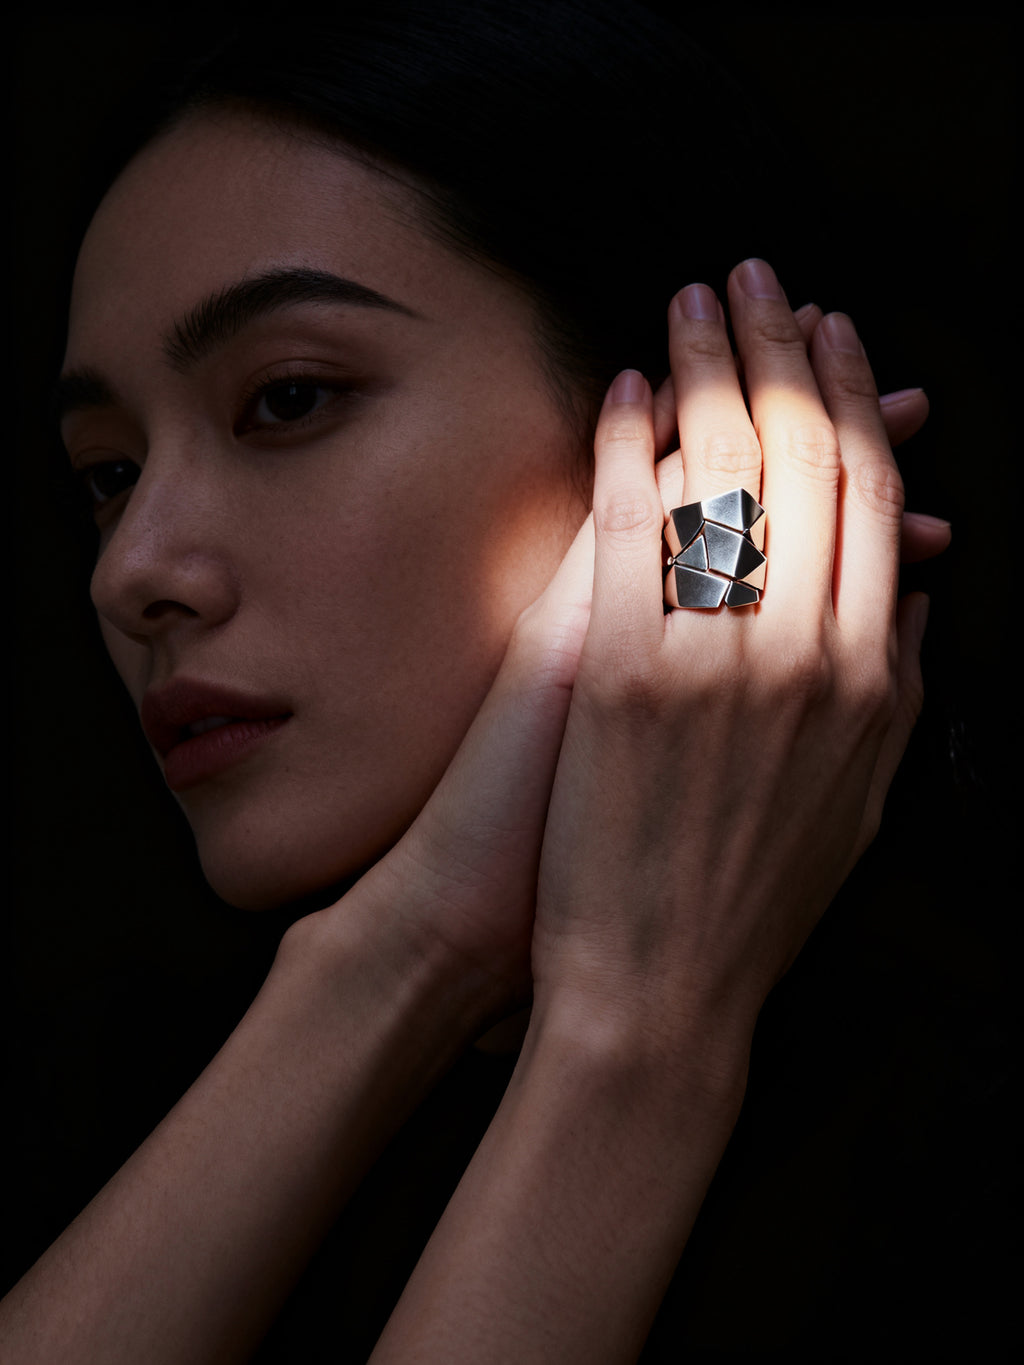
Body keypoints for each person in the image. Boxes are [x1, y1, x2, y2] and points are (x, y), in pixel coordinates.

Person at [5, 3, 974, 1360]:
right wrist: (403, 957)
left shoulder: (943, 1168)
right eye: (109, 474)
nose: (133, 571)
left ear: (706, 454)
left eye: (287, 397)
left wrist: (633, 1025)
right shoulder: (89, 1102)